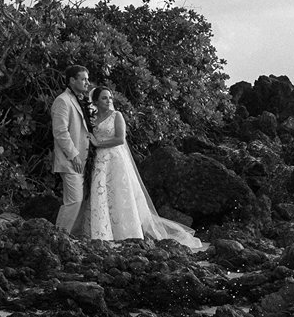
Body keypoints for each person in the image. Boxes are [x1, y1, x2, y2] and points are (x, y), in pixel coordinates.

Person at [87, 86, 204, 250]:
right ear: (96, 101)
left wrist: (98, 143)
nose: (108, 101)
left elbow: (120, 139)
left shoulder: (116, 116)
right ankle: (103, 234)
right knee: (101, 193)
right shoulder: (92, 119)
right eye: (104, 98)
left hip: (115, 159)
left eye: (110, 97)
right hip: (100, 161)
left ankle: (127, 234)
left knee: (119, 194)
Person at [51, 64, 92, 234]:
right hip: (70, 160)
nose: (87, 83)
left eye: (87, 79)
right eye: (83, 79)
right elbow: (60, 132)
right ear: (72, 80)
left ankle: (72, 236)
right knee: (74, 200)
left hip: (83, 160)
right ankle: (58, 235)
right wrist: (74, 156)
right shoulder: (62, 100)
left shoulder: (78, 100)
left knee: (81, 201)